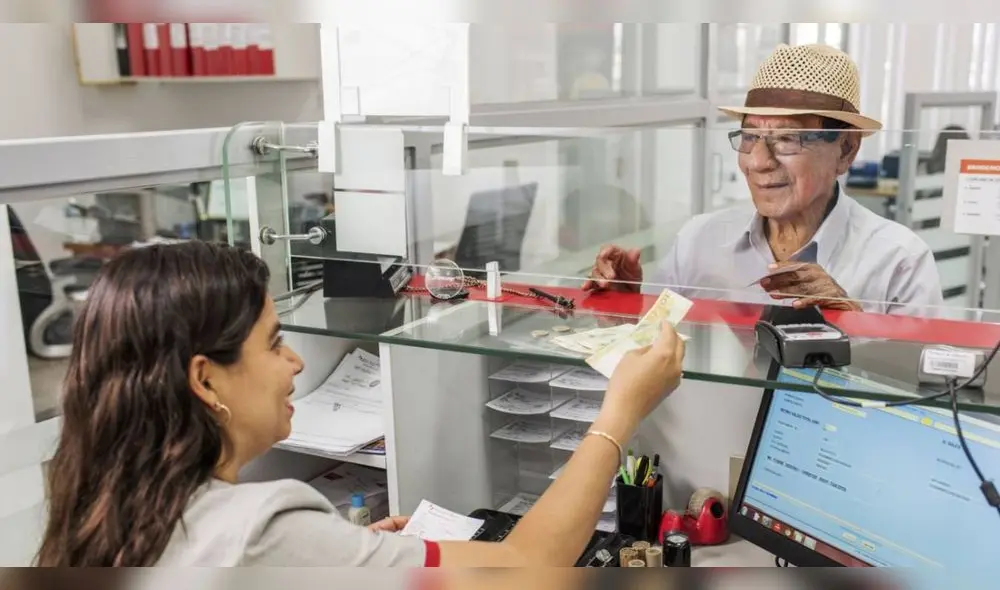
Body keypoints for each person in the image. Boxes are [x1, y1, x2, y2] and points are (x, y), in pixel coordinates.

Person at [36, 241, 685, 567]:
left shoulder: (100, 510)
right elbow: (524, 569)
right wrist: (619, 413)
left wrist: (340, 554)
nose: (295, 362)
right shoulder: (263, 526)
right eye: (274, 343)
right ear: (205, 381)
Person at [583, 43, 943, 315]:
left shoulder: (898, 260)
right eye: (750, 136)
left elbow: (922, 385)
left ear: (846, 150)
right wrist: (625, 308)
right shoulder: (699, 240)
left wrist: (851, 324)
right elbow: (651, 353)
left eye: (787, 139)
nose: (758, 162)